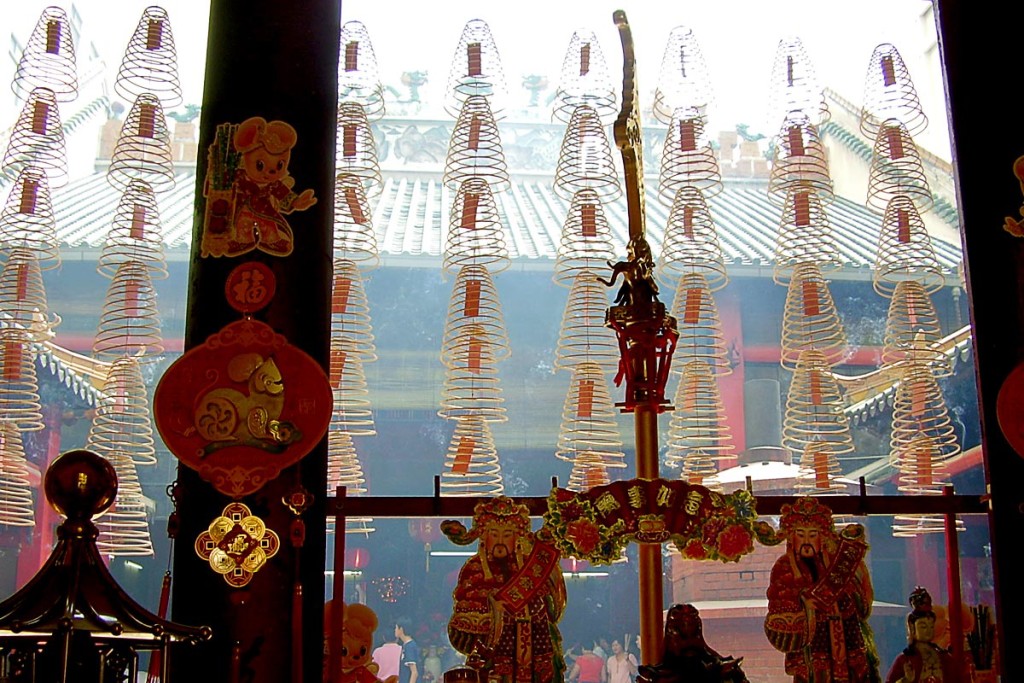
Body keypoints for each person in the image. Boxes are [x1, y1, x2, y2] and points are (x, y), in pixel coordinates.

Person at [443, 496, 567, 683]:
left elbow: (550, 611)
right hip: (495, 666)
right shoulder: (474, 569)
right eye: (494, 533)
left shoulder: (529, 568)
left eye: (507, 534)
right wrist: (494, 613)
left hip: (535, 659)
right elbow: (462, 631)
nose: (500, 540)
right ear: (484, 536)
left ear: (517, 537)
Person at [764, 497, 881, 683]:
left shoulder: (835, 561)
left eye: (812, 535)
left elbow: (860, 601)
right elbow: (778, 606)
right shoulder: (784, 567)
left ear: (823, 536)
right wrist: (803, 603)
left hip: (846, 633)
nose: (806, 541)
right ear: (792, 538)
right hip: (811, 643)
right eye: (800, 534)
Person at [637, 604, 747, 683]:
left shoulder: (729, 673)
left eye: (694, 634)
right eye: (678, 632)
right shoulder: (654, 677)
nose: (688, 642)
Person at [885, 587, 960, 683]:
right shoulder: (905, 659)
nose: (928, 631)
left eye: (931, 626)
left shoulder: (943, 656)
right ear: (912, 627)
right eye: (923, 627)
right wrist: (906, 680)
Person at [395, 616, 420, 683]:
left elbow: (414, 672)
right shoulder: (406, 645)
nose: (395, 630)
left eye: (396, 628)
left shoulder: (410, 646)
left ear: (401, 629)